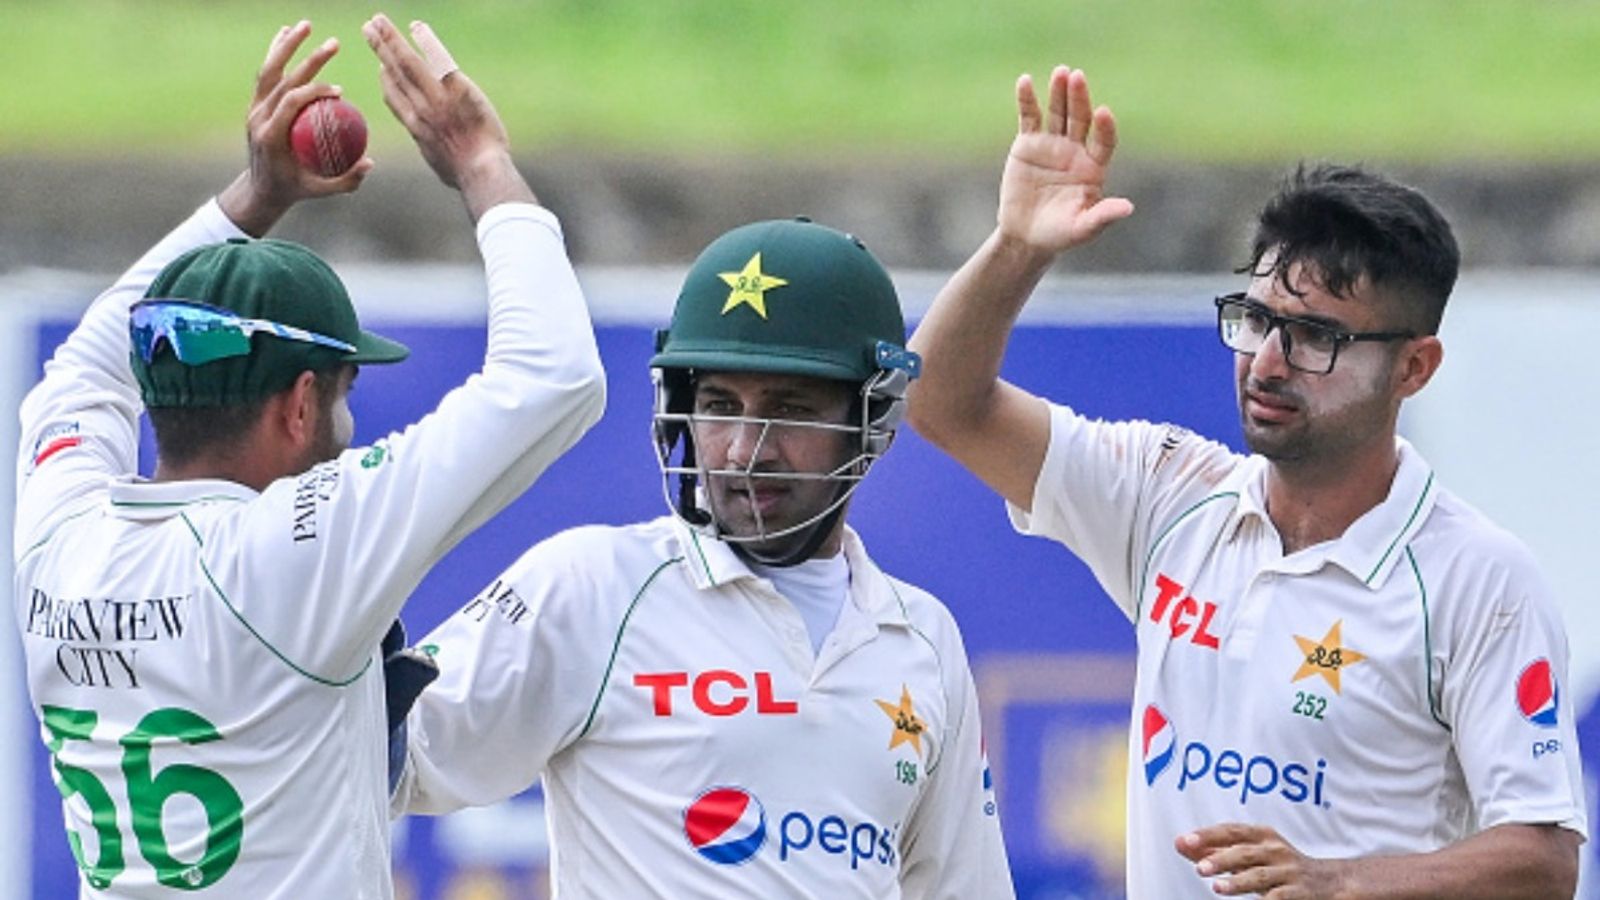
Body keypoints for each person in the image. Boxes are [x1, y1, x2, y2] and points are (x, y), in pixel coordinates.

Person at [905, 65, 1586, 898]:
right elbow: (941, 400)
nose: (1266, 360)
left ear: (1415, 366)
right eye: (1257, 319)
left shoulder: (1478, 576)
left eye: (1314, 337)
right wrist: (1017, 247)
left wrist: (1339, 882)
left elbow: (1545, 862)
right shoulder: (1171, 492)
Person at [12, 15, 604, 898]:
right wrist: (482, 164)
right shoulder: (288, 554)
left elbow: (87, 364)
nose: (346, 425)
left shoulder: (58, 538)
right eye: (343, 395)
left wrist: (248, 200)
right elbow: (553, 378)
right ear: (298, 405)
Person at [391, 218, 1013, 898]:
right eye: (720, 405)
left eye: (792, 409)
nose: (746, 449)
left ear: (872, 420)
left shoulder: (922, 636)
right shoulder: (596, 585)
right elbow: (382, 760)